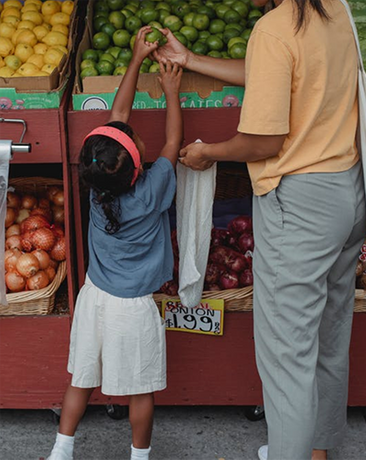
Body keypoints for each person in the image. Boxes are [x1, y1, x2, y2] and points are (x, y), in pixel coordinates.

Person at [154, 0, 366, 459]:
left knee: (287, 358)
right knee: (329, 341)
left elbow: (263, 142)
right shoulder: (336, 11)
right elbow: (275, 75)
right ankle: (317, 451)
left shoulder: (274, 28)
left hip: (301, 205)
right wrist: (190, 59)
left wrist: (209, 152)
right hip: (347, 192)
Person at [47, 27, 183, 460]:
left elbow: (117, 115)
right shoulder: (152, 187)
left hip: (94, 298)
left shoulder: (95, 186)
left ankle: (61, 451)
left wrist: (135, 59)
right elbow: (174, 143)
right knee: (140, 391)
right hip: (133, 309)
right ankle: (139, 458)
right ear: (136, 163)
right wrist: (171, 92)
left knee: (80, 379)